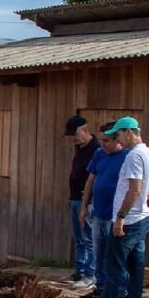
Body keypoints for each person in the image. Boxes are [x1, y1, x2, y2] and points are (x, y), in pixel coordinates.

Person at [81, 117, 149, 298]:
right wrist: (145, 199)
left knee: (114, 265)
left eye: (119, 134)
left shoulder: (134, 156)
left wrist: (121, 217)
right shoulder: (148, 153)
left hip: (128, 222)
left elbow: (135, 188)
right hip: (142, 218)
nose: (118, 138)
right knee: (136, 265)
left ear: (129, 132)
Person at [78, 122, 129, 298]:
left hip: (115, 217)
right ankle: (100, 288)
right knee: (99, 253)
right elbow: (91, 180)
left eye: (106, 140)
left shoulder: (128, 156)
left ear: (118, 139)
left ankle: (118, 292)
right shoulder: (99, 154)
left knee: (114, 256)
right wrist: (84, 207)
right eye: (101, 140)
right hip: (98, 212)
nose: (102, 144)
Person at [63, 115, 99, 284]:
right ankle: (79, 271)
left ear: (85, 130)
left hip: (88, 201)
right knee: (78, 239)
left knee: (89, 239)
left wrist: (89, 197)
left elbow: (96, 176)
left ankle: (90, 275)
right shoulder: (80, 148)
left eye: (75, 135)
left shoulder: (97, 149)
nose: (73, 139)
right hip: (75, 199)